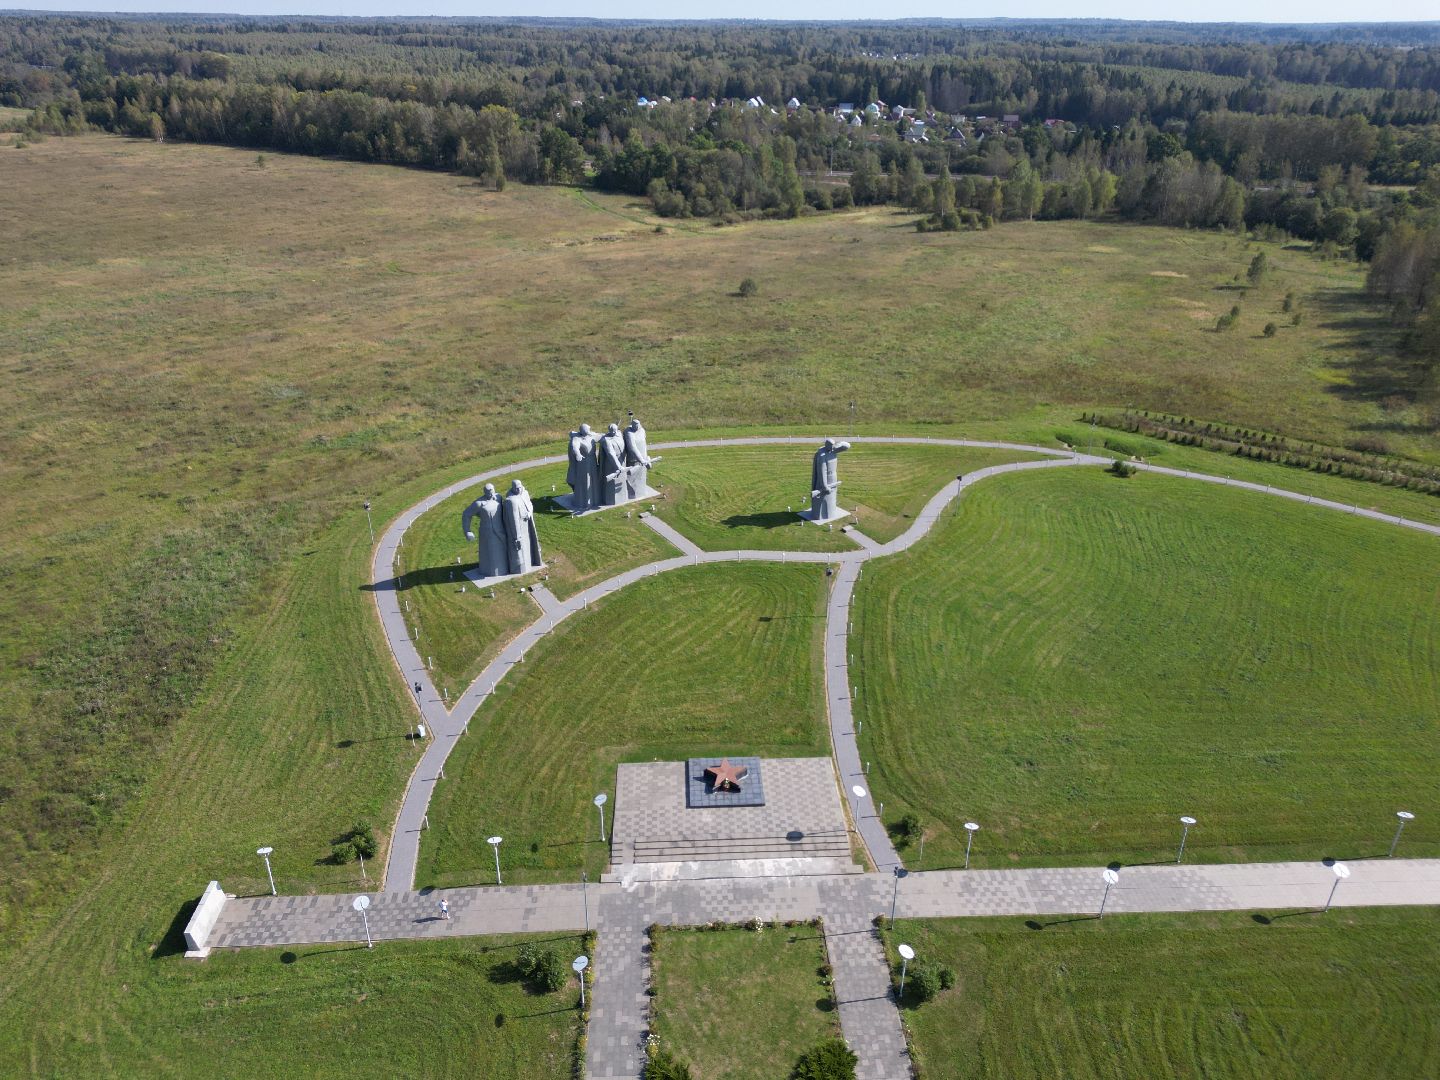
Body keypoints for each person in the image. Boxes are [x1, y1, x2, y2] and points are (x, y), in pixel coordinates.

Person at [461, 483, 509, 577]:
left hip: (501, 530)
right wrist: (467, 531)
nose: (491, 494)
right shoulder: (479, 503)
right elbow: (466, 514)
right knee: (492, 555)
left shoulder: (498, 497)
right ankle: (492, 572)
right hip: (488, 534)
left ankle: (505, 569)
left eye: (492, 491)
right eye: (489, 492)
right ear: (485, 492)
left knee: (503, 552)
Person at [566, 424, 600, 510]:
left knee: (593, 479)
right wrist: (578, 454)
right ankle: (584, 501)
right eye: (588, 429)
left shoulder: (592, 436)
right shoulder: (577, 438)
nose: (589, 430)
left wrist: (611, 433)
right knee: (585, 480)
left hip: (592, 461)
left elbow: (601, 436)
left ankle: (595, 499)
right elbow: (575, 446)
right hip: (583, 463)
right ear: (583, 430)